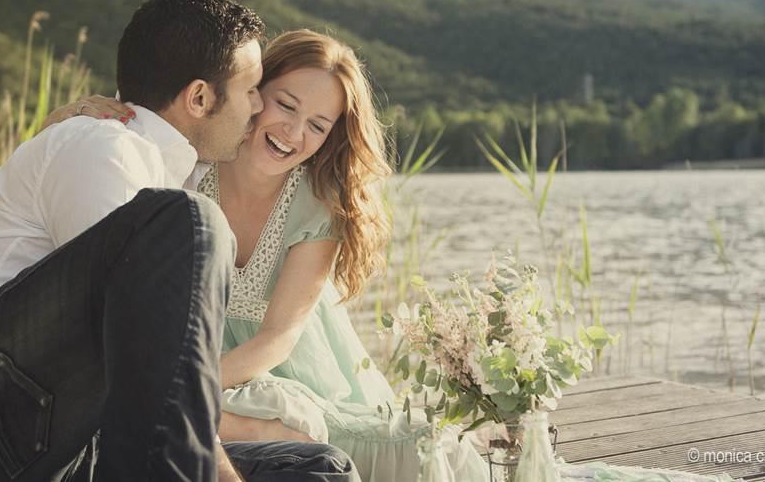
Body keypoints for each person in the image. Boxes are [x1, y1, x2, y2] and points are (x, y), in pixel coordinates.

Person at [0, 0, 359, 482]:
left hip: (32, 430)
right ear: (200, 97)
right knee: (193, 223)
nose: (256, 108)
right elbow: (136, 349)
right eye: (252, 91)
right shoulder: (103, 148)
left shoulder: (159, 168)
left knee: (316, 469)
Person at [57, 30, 489, 482]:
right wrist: (72, 116)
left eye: (318, 125)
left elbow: (278, 338)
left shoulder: (319, 202)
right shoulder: (192, 165)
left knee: (429, 449)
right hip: (194, 367)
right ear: (254, 90)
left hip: (285, 375)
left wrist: (183, 390)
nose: (294, 133)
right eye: (286, 105)